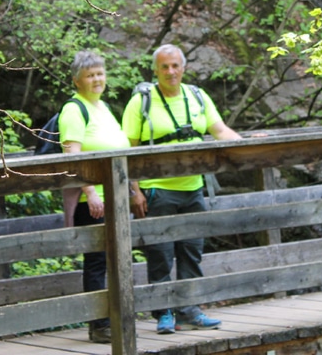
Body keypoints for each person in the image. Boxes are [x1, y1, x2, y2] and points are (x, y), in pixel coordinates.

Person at [122, 44, 242, 334]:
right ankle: (164, 313)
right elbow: (126, 147)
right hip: (156, 190)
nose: (170, 72)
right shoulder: (142, 101)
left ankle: (189, 310)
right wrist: (134, 191)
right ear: (155, 70)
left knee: (191, 251)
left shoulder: (197, 96)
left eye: (175, 65)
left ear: (183, 68)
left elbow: (220, 131)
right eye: (164, 67)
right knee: (160, 253)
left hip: (193, 188)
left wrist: (250, 144)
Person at [59, 50, 131, 344]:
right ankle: (99, 324)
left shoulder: (103, 107)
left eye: (100, 73)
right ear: (77, 80)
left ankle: (115, 318)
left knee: (117, 261)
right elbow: (72, 158)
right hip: (94, 201)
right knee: (97, 262)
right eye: (90, 75)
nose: (97, 79)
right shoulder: (74, 110)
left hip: (115, 197)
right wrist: (90, 193)